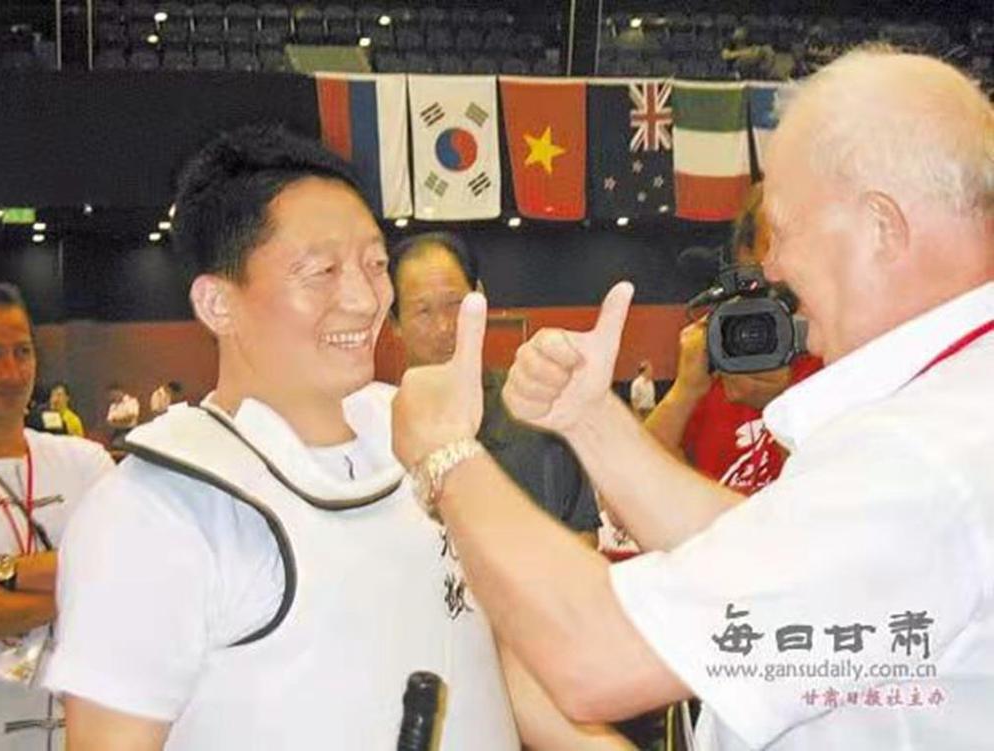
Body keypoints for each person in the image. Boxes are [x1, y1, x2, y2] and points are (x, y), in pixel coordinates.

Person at [391, 49, 994, 750]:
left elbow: (599, 657)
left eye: (785, 230)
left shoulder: (922, 455)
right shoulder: (952, 411)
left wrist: (447, 455)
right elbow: (762, 552)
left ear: (882, 227)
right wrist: (591, 418)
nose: (773, 266)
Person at [43, 125, 522, 751]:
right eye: (322, 270)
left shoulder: (424, 439)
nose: (364, 299)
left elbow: (496, 667)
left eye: (375, 264)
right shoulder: (156, 511)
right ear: (218, 304)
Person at [389, 232, 600, 547]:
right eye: (423, 311)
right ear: (394, 322)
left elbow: (583, 535)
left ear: (480, 298)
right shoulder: (374, 433)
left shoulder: (536, 409)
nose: (444, 327)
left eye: (455, 305)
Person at [0, 283, 114, 751]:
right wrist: (88, 586)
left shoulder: (85, 464)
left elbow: (132, 573)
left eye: (22, 352)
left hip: (81, 725)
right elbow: (109, 580)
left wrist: (7, 573)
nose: (10, 373)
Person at [646, 185, 821, 495]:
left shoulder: (844, 360)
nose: (794, 264)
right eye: (776, 244)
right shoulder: (717, 353)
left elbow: (831, 503)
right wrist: (683, 393)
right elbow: (630, 493)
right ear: (745, 254)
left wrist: (781, 407)